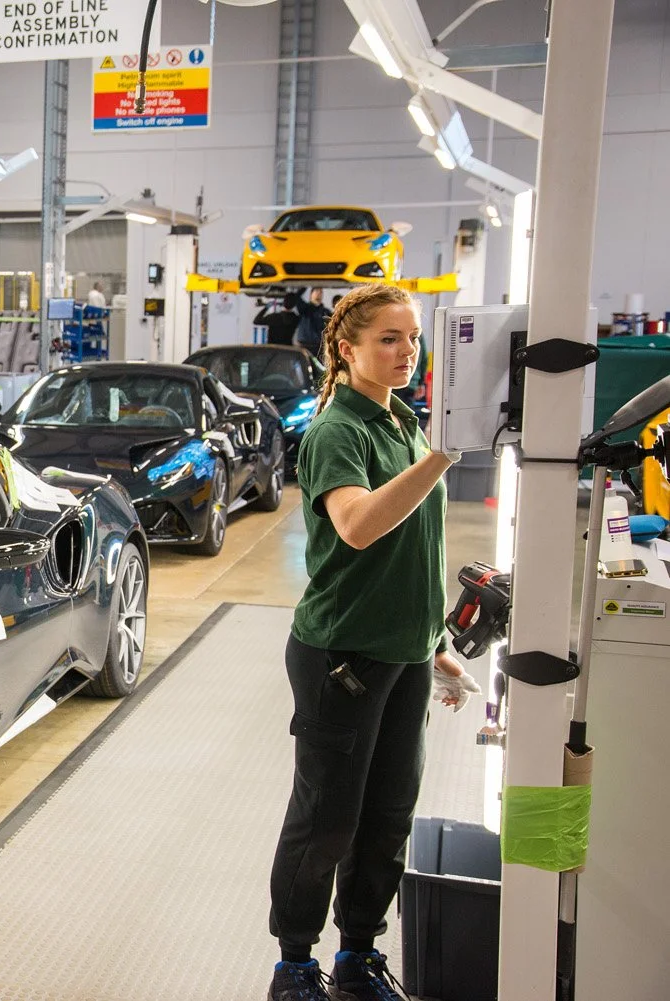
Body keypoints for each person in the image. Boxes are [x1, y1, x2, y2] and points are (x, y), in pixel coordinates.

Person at [266, 283, 481, 1001]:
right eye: (388, 338)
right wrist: (442, 457)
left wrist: (435, 639)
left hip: (405, 651)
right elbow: (359, 527)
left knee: (390, 813)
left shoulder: (405, 422)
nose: (405, 352)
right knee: (328, 817)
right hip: (342, 654)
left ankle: (358, 955)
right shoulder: (340, 430)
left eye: (412, 338)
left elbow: (417, 544)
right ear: (347, 347)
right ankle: (295, 962)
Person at [292, 288, 332, 355]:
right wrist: (306, 284)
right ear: (311, 294)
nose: (319, 293)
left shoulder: (326, 312)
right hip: (304, 345)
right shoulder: (304, 308)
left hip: (320, 346)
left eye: (321, 292)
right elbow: (296, 297)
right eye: (316, 291)